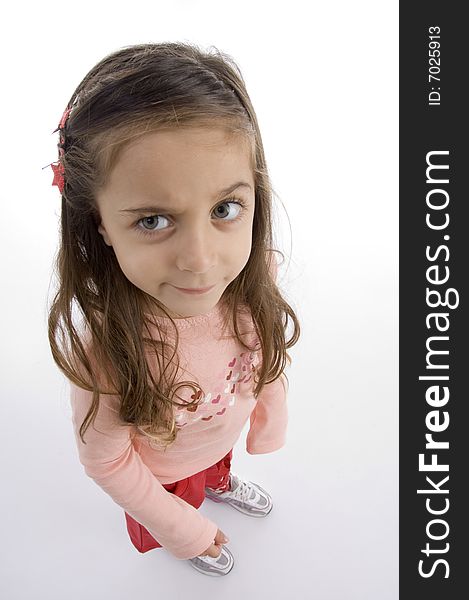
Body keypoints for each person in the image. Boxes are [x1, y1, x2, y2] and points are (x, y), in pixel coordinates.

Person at [47, 42, 300, 577]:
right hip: (161, 477)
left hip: (220, 440)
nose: (201, 261)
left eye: (225, 209)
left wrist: (266, 424)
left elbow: (265, 357)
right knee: (182, 508)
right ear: (100, 225)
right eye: (154, 221)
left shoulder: (257, 278)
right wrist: (185, 531)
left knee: (214, 465)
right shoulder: (113, 351)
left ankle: (219, 480)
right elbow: (108, 461)